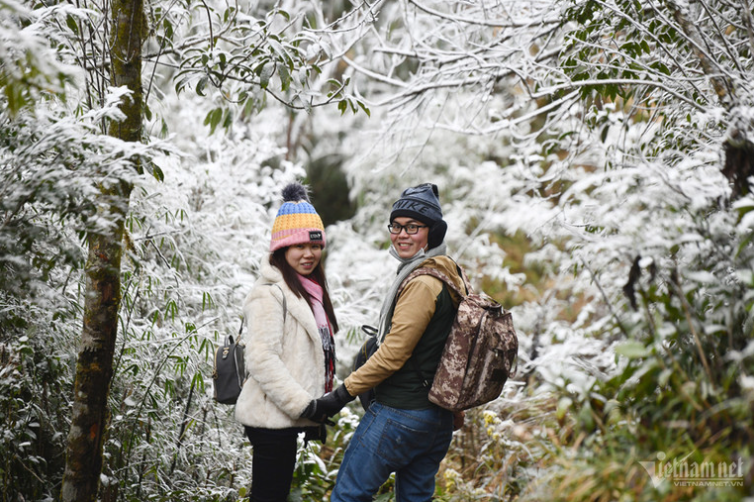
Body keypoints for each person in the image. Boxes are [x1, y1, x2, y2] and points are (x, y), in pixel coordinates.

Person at [305, 183, 466, 501]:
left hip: (400, 413)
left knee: (349, 495)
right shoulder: (450, 273)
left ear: (433, 232)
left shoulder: (422, 283)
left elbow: (394, 353)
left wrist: (341, 395)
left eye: (413, 227)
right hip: (436, 421)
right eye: (396, 225)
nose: (401, 234)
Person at [234, 182, 339, 502]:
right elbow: (262, 359)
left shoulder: (310, 291)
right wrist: (305, 405)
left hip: (288, 417)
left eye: (315, 246)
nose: (309, 254)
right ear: (281, 249)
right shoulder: (269, 294)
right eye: (299, 247)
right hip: (271, 418)